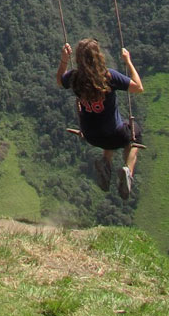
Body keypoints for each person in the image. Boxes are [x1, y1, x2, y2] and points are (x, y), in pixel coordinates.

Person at [56, 38, 144, 199]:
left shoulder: (74, 77)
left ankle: (106, 162)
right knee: (134, 132)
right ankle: (128, 171)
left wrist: (63, 60)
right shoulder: (108, 76)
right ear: (98, 56)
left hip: (92, 137)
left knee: (105, 125)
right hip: (116, 136)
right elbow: (138, 88)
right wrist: (128, 61)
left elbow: (59, 81)